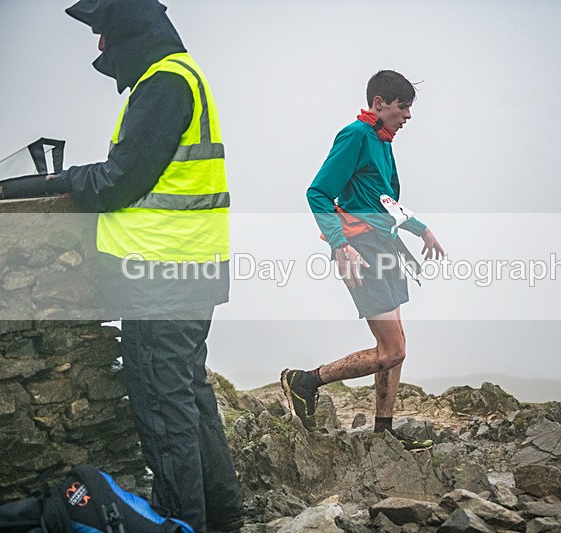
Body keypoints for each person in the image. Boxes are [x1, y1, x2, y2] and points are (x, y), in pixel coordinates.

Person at [46, 1, 243, 531]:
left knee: (164, 408)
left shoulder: (162, 84)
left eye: (105, 36)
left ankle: (183, 524)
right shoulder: (184, 76)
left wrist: (62, 181)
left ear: (130, 33)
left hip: (158, 275)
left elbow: (119, 181)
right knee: (190, 398)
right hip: (193, 267)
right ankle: (222, 518)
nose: (101, 49)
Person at [281, 70, 445, 451]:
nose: (407, 116)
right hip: (362, 250)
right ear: (379, 104)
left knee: (397, 345)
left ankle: (383, 430)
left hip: (383, 245)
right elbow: (318, 193)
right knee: (393, 350)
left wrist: (421, 229)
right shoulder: (355, 135)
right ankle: (305, 381)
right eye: (402, 108)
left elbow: (383, 200)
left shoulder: (383, 141)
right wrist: (340, 245)